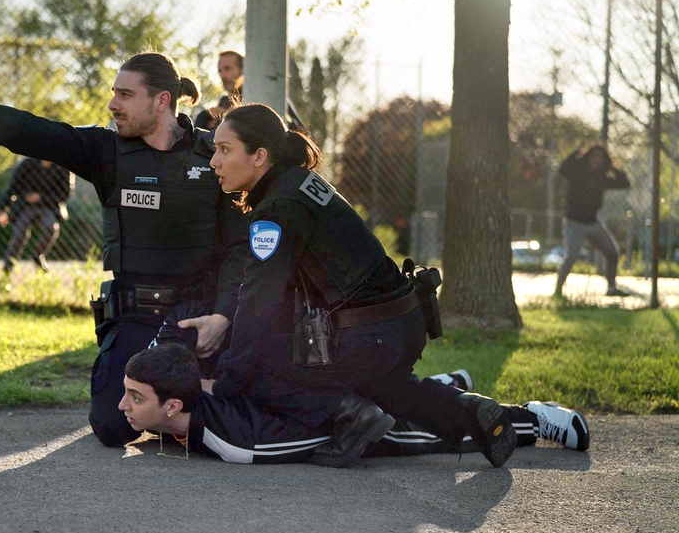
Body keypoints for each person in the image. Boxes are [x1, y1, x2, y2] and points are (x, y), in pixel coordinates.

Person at [0, 52, 249, 447]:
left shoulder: (213, 156)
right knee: (113, 427)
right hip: (137, 316)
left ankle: (182, 405)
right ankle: (172, 409)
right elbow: (29, 131)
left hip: (199, 319)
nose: (112, 104)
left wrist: (222, 315)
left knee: (232, 413)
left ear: (161, 101)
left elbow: (239, 248)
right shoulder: (106, 150)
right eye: (113, 93)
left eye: (124, 94)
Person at [206, 103, 518, 468]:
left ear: (259, 156)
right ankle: (472, 411)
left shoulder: (276, 209)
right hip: (401, 325)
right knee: (388, 389)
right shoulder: (302, 183)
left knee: (256, 369)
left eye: (224, 149)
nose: (214, 161)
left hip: (366, 335)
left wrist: (226, 380)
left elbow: (259, 304)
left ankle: (349, 415)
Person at [119, 343, 590, 465]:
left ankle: (535, 419)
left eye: (135, 398)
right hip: (318, 396)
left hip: (341, 423)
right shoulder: (181, 416)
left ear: (176, 404)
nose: (122, 406)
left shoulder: (236, 443)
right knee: (416, 399)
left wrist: (370, 419)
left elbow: (312, 439)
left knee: (435, 436)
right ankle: (442, 387)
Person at [554, 144, 631, 297]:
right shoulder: (577, 173)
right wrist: (575, 153)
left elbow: (624, 183)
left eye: (600, 158)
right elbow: (563, 169)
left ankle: (611, 288)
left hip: (592, 222)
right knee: (571, 256)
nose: (596, 160)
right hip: (574, 222)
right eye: (593, 156)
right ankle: (557, 291)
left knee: (612, 252)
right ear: (588, 157)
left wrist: (613, 168)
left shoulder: (602, 178)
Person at [0, 158, 73, 273]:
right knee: (19, 235)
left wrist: (41, 197)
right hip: (26, 207)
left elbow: (65, 194)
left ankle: (38, 256)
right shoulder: (27, 164)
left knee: (51, 228)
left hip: (49, 207)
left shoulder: (62, 168)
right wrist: (2, 209)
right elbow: (13, 187)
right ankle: (7, 268)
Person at [194, 51, 244, 131]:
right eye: (220, 71)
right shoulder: (225, 101)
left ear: (243, 70)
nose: (222, 75)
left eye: (228, 69)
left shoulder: (255, 95)